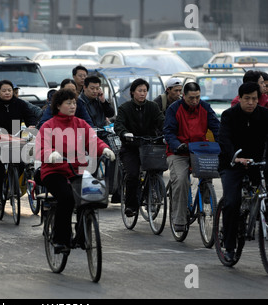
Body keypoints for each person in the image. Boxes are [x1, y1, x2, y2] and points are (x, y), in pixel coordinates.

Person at [37, 88, 115, 251]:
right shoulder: (49, 125)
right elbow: (42, 147)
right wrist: (50, 154)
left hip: (77, 170)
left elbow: (94, 142)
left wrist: (105, 149)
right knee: (67, 198)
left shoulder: (81, 124)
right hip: (54, 171)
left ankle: (82, 236)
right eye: (68, 103)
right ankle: (61, 240)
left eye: (74, 103)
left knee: (89, 196)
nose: (73, 106)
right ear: (58, 106)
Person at [218, 82, 268, 262]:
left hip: (257, 163)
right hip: (232, 165)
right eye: (247, 99)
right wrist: (235, 157)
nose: (251, 102)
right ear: (240, 98)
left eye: (254, 99)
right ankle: (229, 245)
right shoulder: (229, 116)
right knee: (232, 202)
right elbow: (224, 139)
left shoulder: (264, 115)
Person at [164, 82, 220, 232]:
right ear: (184, 96)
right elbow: (169, 132)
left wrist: (224, 144)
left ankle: (207, 196)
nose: (195, 101)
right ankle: (179, 220)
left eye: (197, 97)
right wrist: (177, 145)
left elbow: (217, 128)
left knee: (209, 170)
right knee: (181, 180)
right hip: (178, 152)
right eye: (191, 98)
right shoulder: (174, 109)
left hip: (200, 150)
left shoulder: (205, 108)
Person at [0, 79, 37, 209]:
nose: (7, 93)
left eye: (9, 90)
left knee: (21, 162)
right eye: (4, 91)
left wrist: (31, 125)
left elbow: (30, 116)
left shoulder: (20, 104)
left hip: (15, 138)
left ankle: (11, 182)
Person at [114, 78, 165, 217]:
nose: (143, 94)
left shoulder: (153, 107)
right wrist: (124, 133)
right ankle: (131, 206)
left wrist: (168, 132)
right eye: (140, 91)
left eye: (145, 91)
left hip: (149, 145)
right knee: (133, 175)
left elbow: (161, 121)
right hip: (130, 147)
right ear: (132, 92)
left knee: (156, 170)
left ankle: (150, 195)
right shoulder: (124, 108)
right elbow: (118, 125)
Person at [77, 75, 115, 141]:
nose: (95, 91)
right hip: (88, 137)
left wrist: (104, 101)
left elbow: (110, 114)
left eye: (97, 88)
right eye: (92, 88)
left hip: (103, 135)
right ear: (85, 87)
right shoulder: (79, 102)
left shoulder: (99, 99)